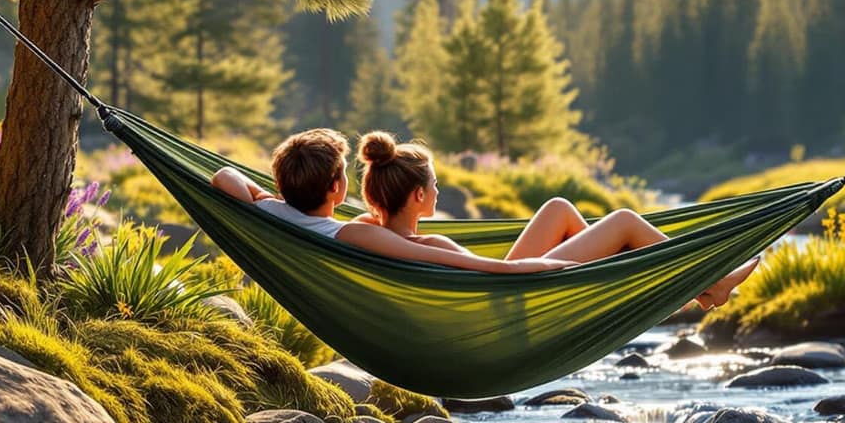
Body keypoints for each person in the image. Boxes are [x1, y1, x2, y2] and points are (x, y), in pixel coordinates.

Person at [352, 131, 757, 310]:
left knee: (558, 208)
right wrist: (557, 267)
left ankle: (683, 287)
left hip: (497, 297)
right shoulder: (428, 246)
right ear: (419, 196)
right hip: (513, 305)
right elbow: (499, 271)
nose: (439, 192)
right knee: (624, 222)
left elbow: (353, 223)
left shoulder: (370, 233)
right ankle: (709, 284)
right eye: (435, 184)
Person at [210, 128, 570, 274]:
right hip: (503, 297)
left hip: (282, 204)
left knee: (559, 209)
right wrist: (515, 269)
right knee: (619, 221)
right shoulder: (348, 235)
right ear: (336, 188)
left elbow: (223, 176)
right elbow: (428, 254)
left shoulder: (270, 212)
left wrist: (272, 200)